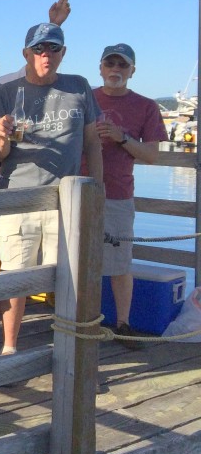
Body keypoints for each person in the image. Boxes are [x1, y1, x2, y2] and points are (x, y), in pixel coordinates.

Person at [0, 21, 102, 354]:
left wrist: (97, 191)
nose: (46, 54)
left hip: (64, 199)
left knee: (67, 280)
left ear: (63, 52)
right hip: (18, 197)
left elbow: (93, 144)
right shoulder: (6, 93)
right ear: (26, 53)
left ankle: (70, 350)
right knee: (15, 278)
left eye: (53, 48)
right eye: (39, 49)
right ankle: (9, 348)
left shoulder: (79, 86)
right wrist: (2, 134)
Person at [92, 43, 166, 349]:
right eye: (110, 64)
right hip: (78, 191)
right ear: (100, 68)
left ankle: (123, 324)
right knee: (75, 261)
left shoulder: (147, 106)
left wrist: (122, 137)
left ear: (132, 71)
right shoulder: (85, 97)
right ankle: (78, 319)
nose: (116, 70)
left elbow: (152, 155)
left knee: (120, 264)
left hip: (118, 194)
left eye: (122, 65)